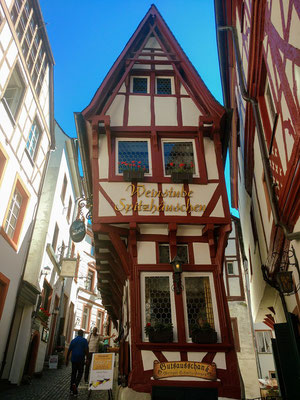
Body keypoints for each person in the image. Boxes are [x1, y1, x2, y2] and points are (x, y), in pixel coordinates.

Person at [66, 329, 88, 396]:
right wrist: (88, 358)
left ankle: (71, 389)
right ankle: (75, 384)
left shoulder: (73, 340)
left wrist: (66, 359)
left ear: (78, 334)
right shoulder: (84, 341)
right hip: (81, 359)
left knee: (73, 374)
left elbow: (69, 350)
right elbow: (86, 350)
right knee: (80, 373)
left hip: (74, 359)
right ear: (82, 334)